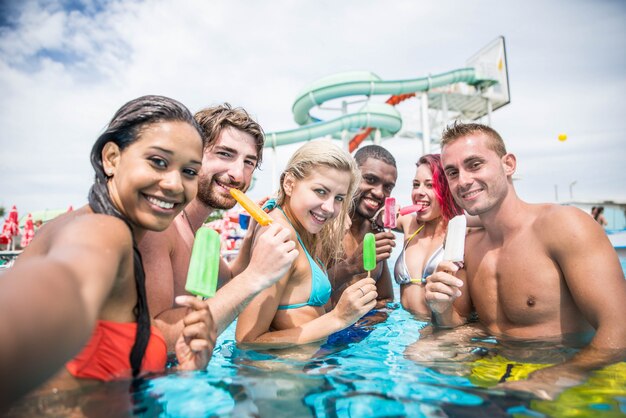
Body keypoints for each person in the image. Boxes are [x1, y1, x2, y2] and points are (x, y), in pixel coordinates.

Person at [0, 96, 215, 410]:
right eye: (158, 161)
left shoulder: (122, 241)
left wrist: (185, 369)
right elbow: (62, 286)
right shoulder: (102, 232)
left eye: (190, 172)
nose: (174, 184)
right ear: (112, 158)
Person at [425, 122, 626, 399]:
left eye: (475, 164)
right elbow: (458, 324)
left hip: (579, 372)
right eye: (452, 172)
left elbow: (620, 329)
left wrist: (561, 375)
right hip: (500, 372)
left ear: (508, 164)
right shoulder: (467, 246)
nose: (463, 180)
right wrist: (440, 308)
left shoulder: (563, 226)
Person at [140, 104, 298, 351]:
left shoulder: (198, 234)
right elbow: (154, 340)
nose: (237, 174)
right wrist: (256, 275)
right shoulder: (161, 226)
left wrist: (252, 234)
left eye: (249, 162)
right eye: (225, 154)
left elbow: (230, 283)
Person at [235, 141, 378, 348]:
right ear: (289, 184)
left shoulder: (299, 228)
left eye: (339, 198)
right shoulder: (280, 239)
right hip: (278, 377)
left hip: (304, 370)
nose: (329, 207)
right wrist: (338, 318)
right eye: (320, 191)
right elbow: (247, 340)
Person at [394, 154, 464, 317]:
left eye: (430, 185)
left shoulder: (458, 234)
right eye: (416, 185)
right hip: (403, 325)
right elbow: (380, 215)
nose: (419, 192)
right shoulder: (409, 224)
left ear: (447, 189)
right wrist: (385, 213)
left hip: (436, 329)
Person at [328, 145, 396, 308]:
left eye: (388, 187)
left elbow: (385, 299)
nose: (379, 193)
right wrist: (350, 266)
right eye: (370, 180)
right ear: (351, 176)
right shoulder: (324, 227)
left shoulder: (374, 233)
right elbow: (305, 293)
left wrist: (366, 322)